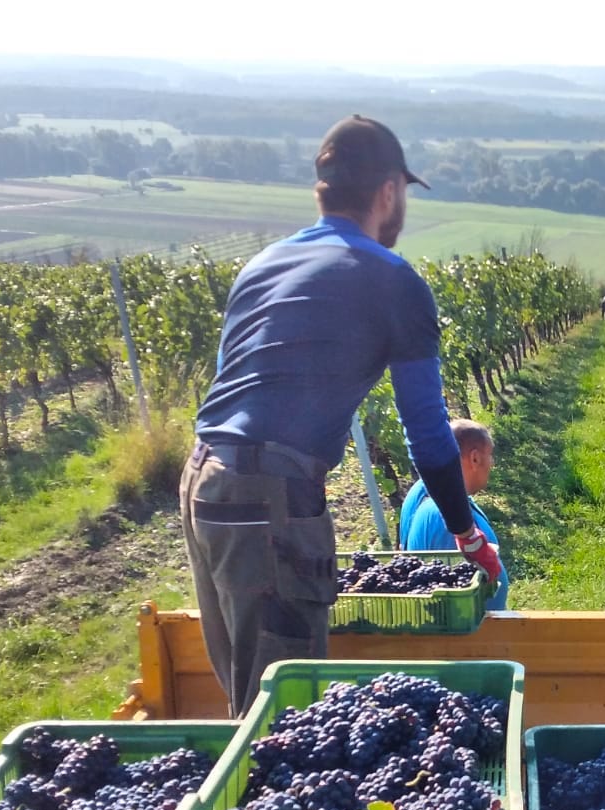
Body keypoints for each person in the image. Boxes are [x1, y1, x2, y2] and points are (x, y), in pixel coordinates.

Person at [180, 114, 501, 716]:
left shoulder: (261, 265)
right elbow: (429, 434)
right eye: (402, 193)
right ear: (388, 192)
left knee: (246, 693)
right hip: (268, 493)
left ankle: (245, 794)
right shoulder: (393, 280)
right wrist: (467, 533)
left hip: (202, 480)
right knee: (284, 707)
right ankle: (266, 808)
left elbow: (231, 386)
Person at [399, 418, 510, 609]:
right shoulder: (447, 520)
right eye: (490, 455)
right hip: (472, 634)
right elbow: (460, 600)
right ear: (475, 458)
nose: (492, 463)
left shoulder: (422, 489)